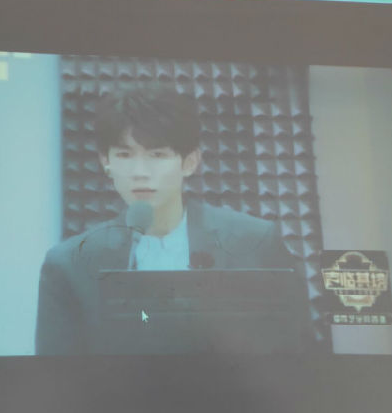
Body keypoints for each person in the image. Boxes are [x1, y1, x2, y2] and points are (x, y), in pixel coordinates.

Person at [35, 85, 311, 355]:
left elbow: (295, 352)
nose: (140, 172)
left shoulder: (256, 242)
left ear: (190, 162)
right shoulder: (69, 265)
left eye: (157, 155)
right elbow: (56, 374)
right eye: (124, 155)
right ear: (105, 162)